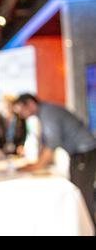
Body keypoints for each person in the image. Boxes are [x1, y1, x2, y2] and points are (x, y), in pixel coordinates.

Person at [13, 94, 96, 223]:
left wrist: (35, 166)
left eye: (22, 110)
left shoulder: (48, 113)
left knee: (82, 196)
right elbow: (46, 143)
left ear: (30, 103)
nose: (22, 115)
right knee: (76, 194)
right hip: (77, 154)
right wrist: (35, 164)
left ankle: (89, 229)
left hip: (85, 153)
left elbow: (52, 143)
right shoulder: (44, 113)